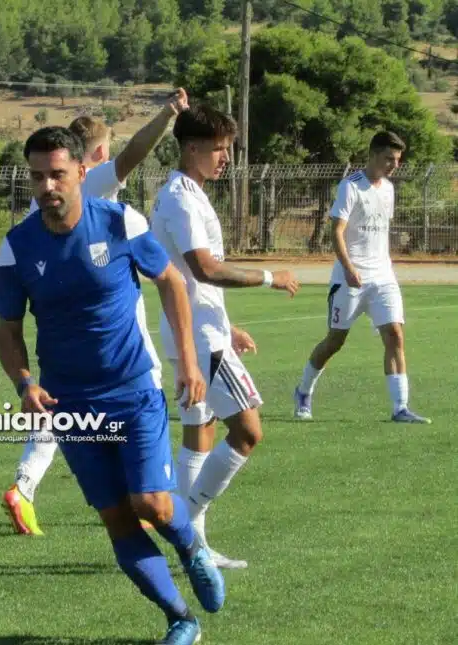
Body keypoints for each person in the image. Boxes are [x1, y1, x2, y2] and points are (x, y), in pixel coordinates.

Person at [0, 125, 224, 645]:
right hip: (70, 402)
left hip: (132, 388)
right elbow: (8, 329)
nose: (47, 186)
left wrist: (188, 362)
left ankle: (191, 547)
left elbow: (171, 281)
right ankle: (180, 619)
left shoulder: (121, 221)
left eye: (57, 174)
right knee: (117, 517)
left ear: (81, 172)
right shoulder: (16, 247)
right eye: (37, 177)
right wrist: (24, 383)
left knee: (152, 504)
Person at [5, 90, 190, 536]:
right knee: (131, 406)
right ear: (97, 154)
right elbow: (135, 154)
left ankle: (25, 484)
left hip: (62, 339)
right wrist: (165, 115)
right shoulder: (91, 185)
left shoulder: (42, 200)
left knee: (59, 410)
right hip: (116, 344)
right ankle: (144, 500)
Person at [148, 104, 300, 570]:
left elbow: (189, 277)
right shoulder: (181, 198)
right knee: (249, 431)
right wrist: (271, 277)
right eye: (219, 148)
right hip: (199, 339)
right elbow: (204, 269)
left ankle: (195, 543)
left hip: (198, 331)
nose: (226, 158)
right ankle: (186, 529)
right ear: (191, 147)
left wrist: (226, 325)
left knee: (201, 432)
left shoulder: (187, 193)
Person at [293, 131, 431, 424]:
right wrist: (348, 267)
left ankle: (400, 407)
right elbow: (337, 231)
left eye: (398, 160)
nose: (394, 165)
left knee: (395, 334)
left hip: (383, 277)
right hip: (350, 278)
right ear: (373, 155)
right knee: (335, 341)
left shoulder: (389, 189)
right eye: (389, 159)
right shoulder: (350, 186)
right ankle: (303, 391)